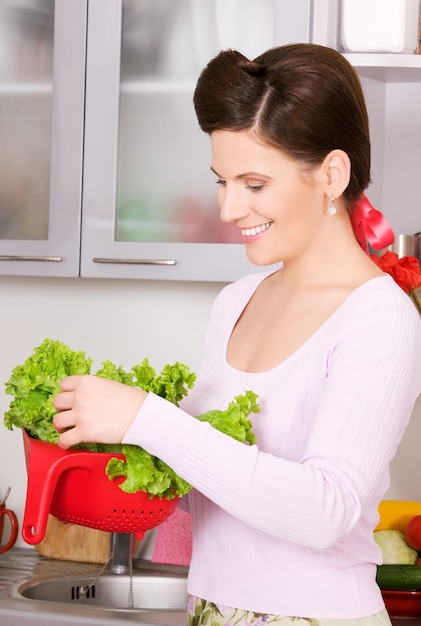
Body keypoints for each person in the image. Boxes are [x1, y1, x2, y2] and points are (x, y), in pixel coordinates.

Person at [53, 44, 421, 625]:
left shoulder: (378, 318)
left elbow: (325, 510)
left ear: (332, 173)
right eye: (222, 181)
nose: (228, 209)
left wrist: (148, 417)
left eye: (253, 184)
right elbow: (216, 477)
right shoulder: (236, 301)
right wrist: (112, 445)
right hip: (210, 610)